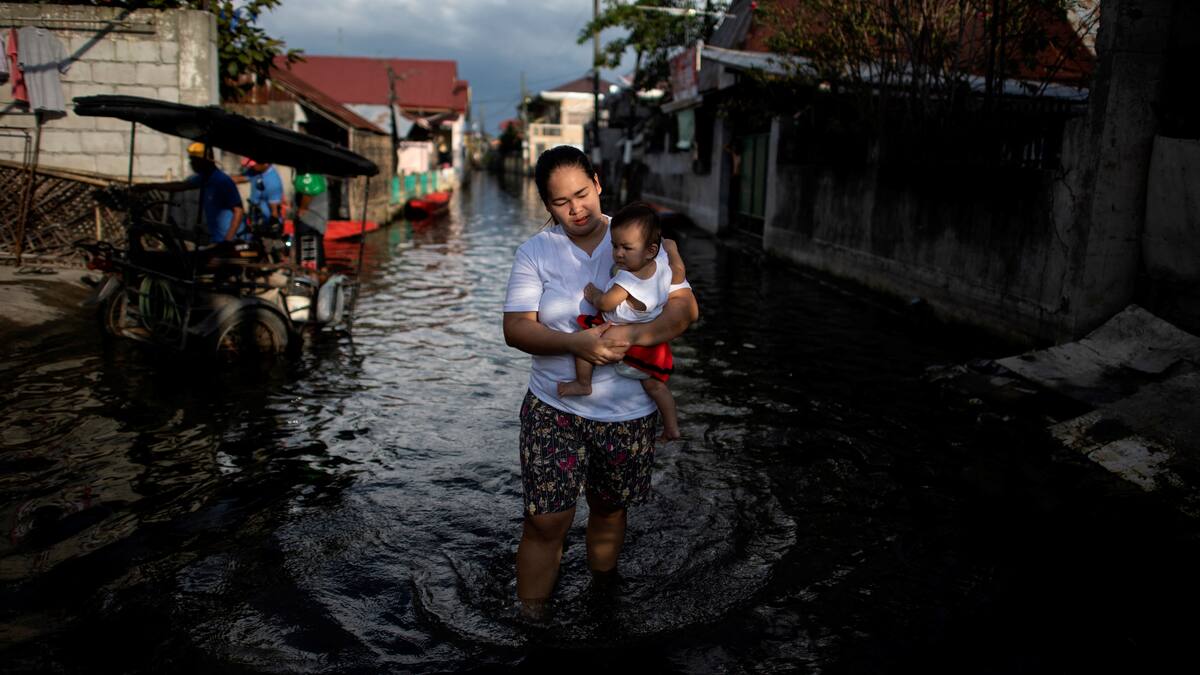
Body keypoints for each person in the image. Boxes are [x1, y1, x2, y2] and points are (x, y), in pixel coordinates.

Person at [503, 145, 699, 614]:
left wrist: (630, 335)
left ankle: (602, 597)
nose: (575, 209)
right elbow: (516, 329)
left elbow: (685, 310)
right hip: (555, 406)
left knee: (610, 511)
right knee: (546, 520)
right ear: (546, 205)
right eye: (560, 202)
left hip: (627, 412)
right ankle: (531, 619)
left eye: (582, 193)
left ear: (597, 182)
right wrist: (577, 344)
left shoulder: (638, 235)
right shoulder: (536, 251)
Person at [557, 202, 684, 441]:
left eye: (627, 248)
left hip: (621, 335)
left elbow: (606, 303)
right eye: (615, 246)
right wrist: (673, 249)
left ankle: (583, 382)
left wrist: (594, 294)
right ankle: (672, 427)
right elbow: (679, 271)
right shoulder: (662, 268)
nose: (618, 254)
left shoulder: (627, 279)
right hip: (651, 347)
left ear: (649, 250)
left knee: (584, 340)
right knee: (655, 387)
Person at [136, 142, 245, 243]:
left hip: (233, 239)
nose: (192, 164)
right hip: (217, 239)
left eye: (195, 161)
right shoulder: (203, 178)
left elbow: (238, 211)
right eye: (191, 160)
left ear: (205, 161)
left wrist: (228, 239)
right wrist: (151, 186)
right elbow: (180, 186)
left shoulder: (222, 181)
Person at [292, 172, 329, 270]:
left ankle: (313, 282)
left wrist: (302, 209)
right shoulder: (314, 174)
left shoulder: (311, 174)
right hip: (312, 222)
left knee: (309, 265)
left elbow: (309, 191)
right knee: (318, 261)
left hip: (309, 222)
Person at [242, 158, 284, 235]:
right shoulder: (257, 171)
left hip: (267, 226)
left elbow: (274, 211)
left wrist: (272, 227)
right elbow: (241, 178)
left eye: (255, 164)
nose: (253, 166)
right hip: (256, 222)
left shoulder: (273, 181)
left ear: (266, 164)